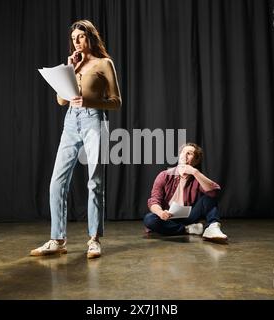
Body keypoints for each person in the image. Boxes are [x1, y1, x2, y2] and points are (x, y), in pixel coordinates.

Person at [31, 20, 121, 258]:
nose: (77, 42)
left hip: (95, 120)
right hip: (71, 122)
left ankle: (94, 239)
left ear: (90, 37)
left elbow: (116, 102)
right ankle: (58, 239)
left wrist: (90, 102)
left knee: (94, 181)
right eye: (73, 39)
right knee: (57, 182)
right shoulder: (74, 64)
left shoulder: (104, 63)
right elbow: (62, 101)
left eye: (81, 37)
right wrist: (69, 70)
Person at [143, 143, 228, 242]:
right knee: (149, 219)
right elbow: (154, 201)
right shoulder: (164, 175)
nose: (184, 155)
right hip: (168, 217)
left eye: (189, 153)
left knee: (208, 198)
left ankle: (213, 228)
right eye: (183, 152)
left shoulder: (197, 177)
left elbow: (214, 193)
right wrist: (161, 213)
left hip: (189, 216)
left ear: (196, 161)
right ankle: (187, 229)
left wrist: (195, 172)